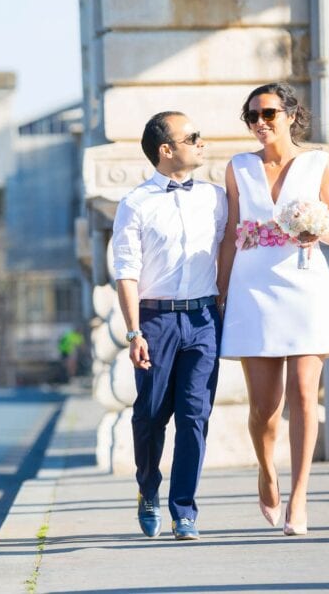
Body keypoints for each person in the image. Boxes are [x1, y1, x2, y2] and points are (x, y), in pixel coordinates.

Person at [217, 82, 329, 537]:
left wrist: (317, 232)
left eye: (268, 113)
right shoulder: (237, 168)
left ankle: (301, 496)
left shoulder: (318, 163)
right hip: (253, 289)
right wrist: (220, 291)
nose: (260, 123)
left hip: (306, 287)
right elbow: (232, 233)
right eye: (252, 116)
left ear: (291, 114)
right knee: (264, 409)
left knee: (303, 395)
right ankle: (267, 472)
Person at [111, 111, 227, 541]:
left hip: (202, 319)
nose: (201, 142)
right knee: (151, 416)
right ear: (166, 150)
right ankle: (147, 489)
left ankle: (184, 511)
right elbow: (126, 271)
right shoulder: (135, 204)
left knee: (195, 416)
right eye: (191, 136)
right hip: (155, 320)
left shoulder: (216, 198)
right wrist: (133, 331)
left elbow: (231, 248)